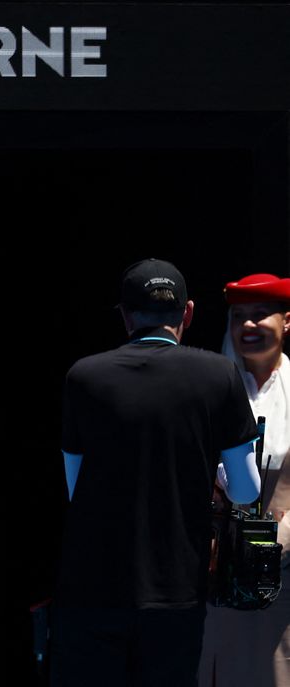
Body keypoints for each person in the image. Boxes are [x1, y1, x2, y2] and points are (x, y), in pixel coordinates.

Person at [50, 258, 262, 687]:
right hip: (176, 592)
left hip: (91, 589)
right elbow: (244, 491)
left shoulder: (84, 376)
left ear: (126, 315)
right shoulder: (218, 373)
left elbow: (76, 489)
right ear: (187, 313)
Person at [199, 273, 290, 687]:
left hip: (280, 572)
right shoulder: (206, 389)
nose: (248, 326)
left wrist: (278, 543)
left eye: (260, 315)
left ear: (286, 321)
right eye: (239, 317)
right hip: (212, 571)